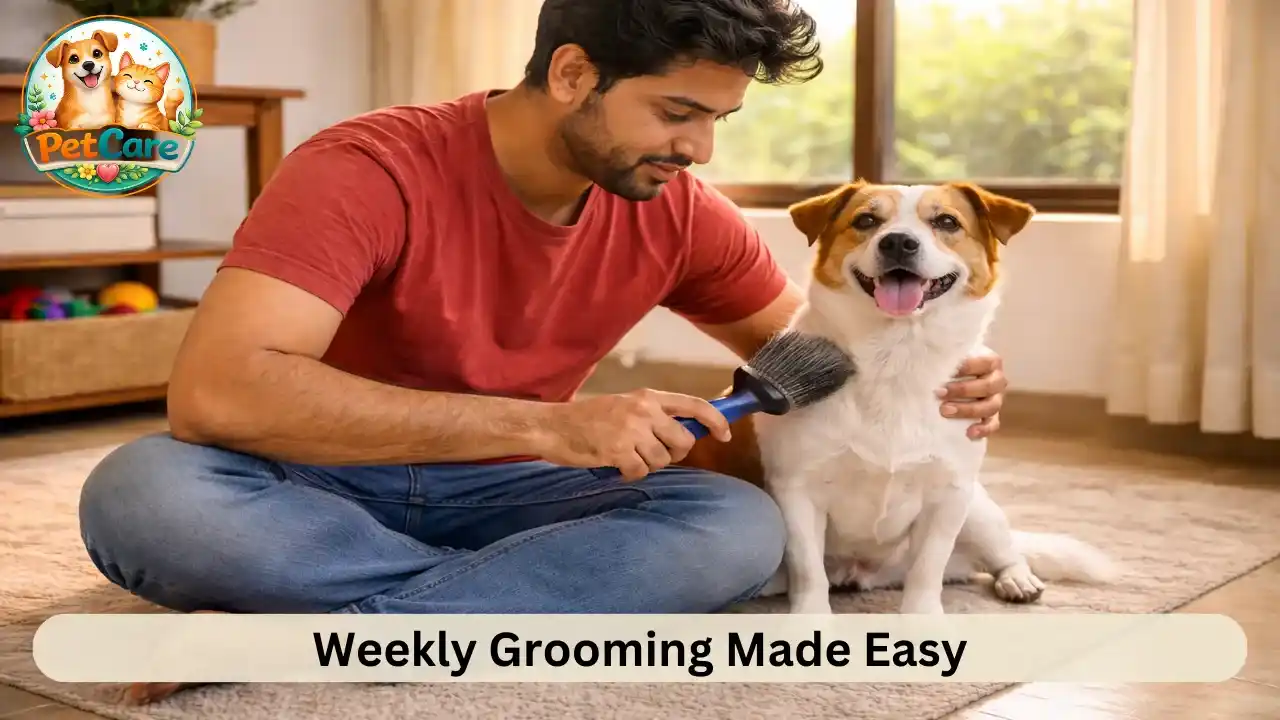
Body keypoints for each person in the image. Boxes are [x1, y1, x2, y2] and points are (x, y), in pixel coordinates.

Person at [79, 0, 1007, 677]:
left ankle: (315, 626)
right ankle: (501, 599)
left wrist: (943, 371)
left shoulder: (676, 209)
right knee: (144, 493)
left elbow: (813, 355)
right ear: (571, 75)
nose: (699, 151)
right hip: (307, 473)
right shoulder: (364, 168)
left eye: (716, 121)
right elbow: (219, 395)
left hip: (513, 492)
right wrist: (551, 428)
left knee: (736, 528)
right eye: (677, 113)